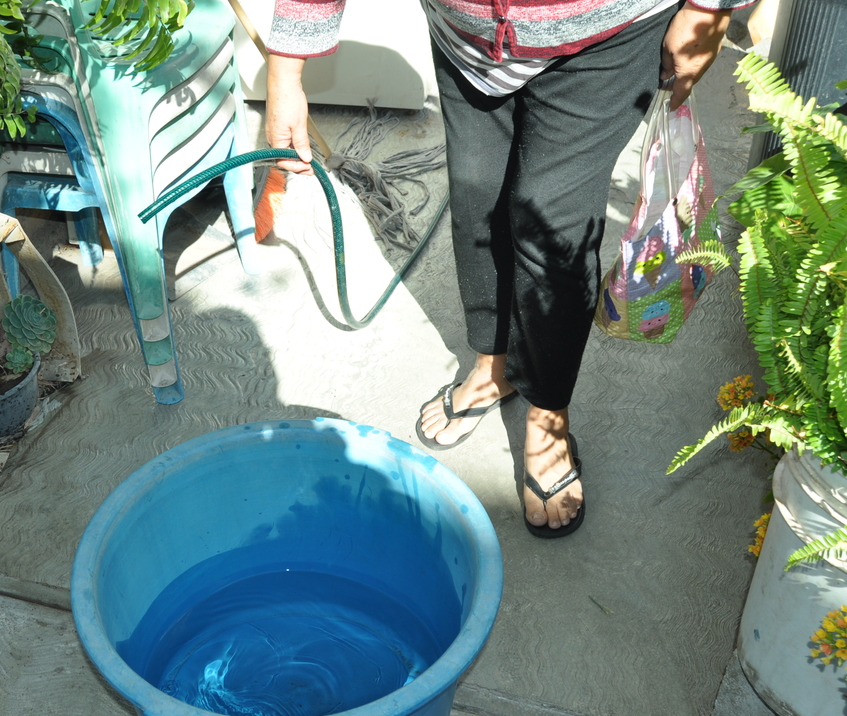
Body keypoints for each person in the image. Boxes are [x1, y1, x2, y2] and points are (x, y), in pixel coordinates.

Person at [265, 0, 750, 537]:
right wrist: (286, 68)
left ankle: (547, 415)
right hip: (465, 35)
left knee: (552, 219)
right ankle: (493, 367)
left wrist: (711, 7)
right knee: (477, 191)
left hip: (607, 31)